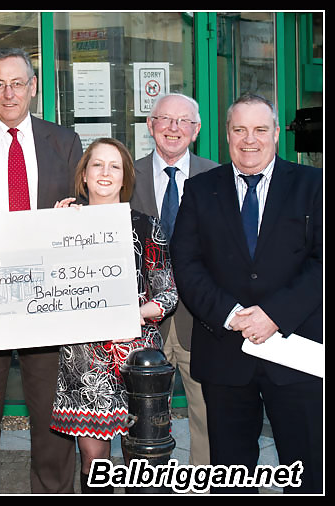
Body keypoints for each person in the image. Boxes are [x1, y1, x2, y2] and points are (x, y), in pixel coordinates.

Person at [171, 93, 322, 493]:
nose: (249, 139)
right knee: (231, 474)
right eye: (239, 130)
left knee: (308, 472)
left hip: (296, 350)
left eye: (259, 129)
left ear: (275, 134)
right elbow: (186, 264)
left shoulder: (314, 185)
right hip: (225, 352)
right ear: (226, 135)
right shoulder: (201, 189)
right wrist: (232, 314)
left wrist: (273, 314)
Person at [0, 47, 82, 494]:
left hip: (47, 298)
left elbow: (82, 208)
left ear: (33, 87)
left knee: (51, 410)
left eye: (17, 83)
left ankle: (51, 491)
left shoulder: (64, 141)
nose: (8, 93)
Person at [50, 137, 178, 493]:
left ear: (125, 178)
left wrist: (132, 314)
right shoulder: (60, 224)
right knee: (94, 466)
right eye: (97, 165)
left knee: (143, 465)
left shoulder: (145, 225)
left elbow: (168, 295)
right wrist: (50, 231)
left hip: (136, 359)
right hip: (83, 361)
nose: (105, 173)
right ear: (84, 176)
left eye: (114, 166)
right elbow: (43, 288)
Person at [129, 93, 217, 467]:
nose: (173, 128)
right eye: (165, 119)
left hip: (202, 322)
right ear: (150, 126)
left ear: (195, 131)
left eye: (183, 122)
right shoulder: (124, 176)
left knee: (208, 419)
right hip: (144, 323)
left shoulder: (217, 177)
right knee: (143, 420)